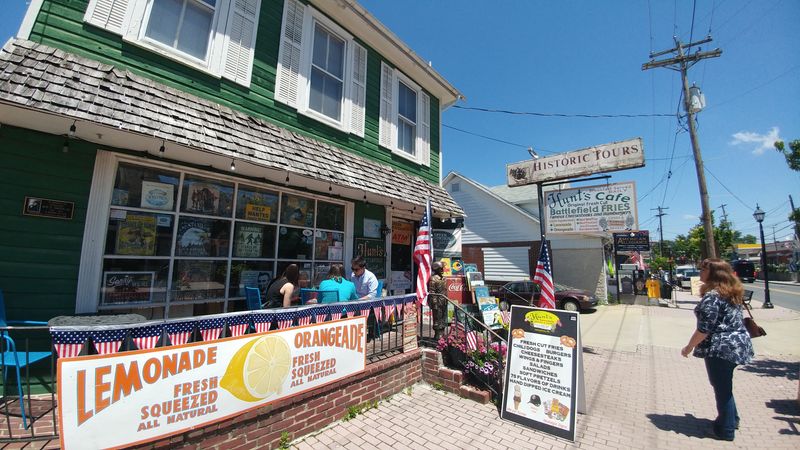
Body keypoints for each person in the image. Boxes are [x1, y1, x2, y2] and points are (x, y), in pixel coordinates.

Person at [681, 258, 753, 442]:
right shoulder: (730, 292)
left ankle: (725, 430)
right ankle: (732, 419)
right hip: (738, 345)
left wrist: (689, 347)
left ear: (713, 274)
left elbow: (705, 328)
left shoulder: (713, 296)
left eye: (703, 270)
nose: (699, 273)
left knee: (721, 388)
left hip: (721, 348)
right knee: (724, 387)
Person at [428, 261, 447, 340]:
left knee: (443, 318)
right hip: (437, 303)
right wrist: (434, 304)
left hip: (444, 301)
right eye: (441, 268)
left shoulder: (443, 278)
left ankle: (442, 333)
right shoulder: (433, 279)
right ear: (436, 269)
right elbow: (432, 293)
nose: (442, 269)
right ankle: (437, 335)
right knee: (437, 318)